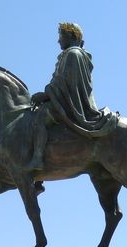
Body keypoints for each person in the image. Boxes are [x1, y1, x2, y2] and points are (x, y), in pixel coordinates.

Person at [27, 22, 117, 171]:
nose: (58, 41)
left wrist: (45, 95)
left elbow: (66, 83)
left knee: (39, 118)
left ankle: (37, 159)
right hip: (65, 100)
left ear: (71, 36)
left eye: (61, 36)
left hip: (71, 104)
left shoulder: (73, 54)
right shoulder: (70, 54)